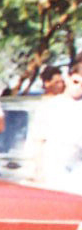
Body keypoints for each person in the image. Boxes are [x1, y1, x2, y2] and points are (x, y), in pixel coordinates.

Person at [30, 59, 82, 194]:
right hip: (51, 172)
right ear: (68, 78)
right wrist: (38, 171)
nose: (79, 87)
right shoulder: (48, 107)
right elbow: (38, 142)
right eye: (76, 82)